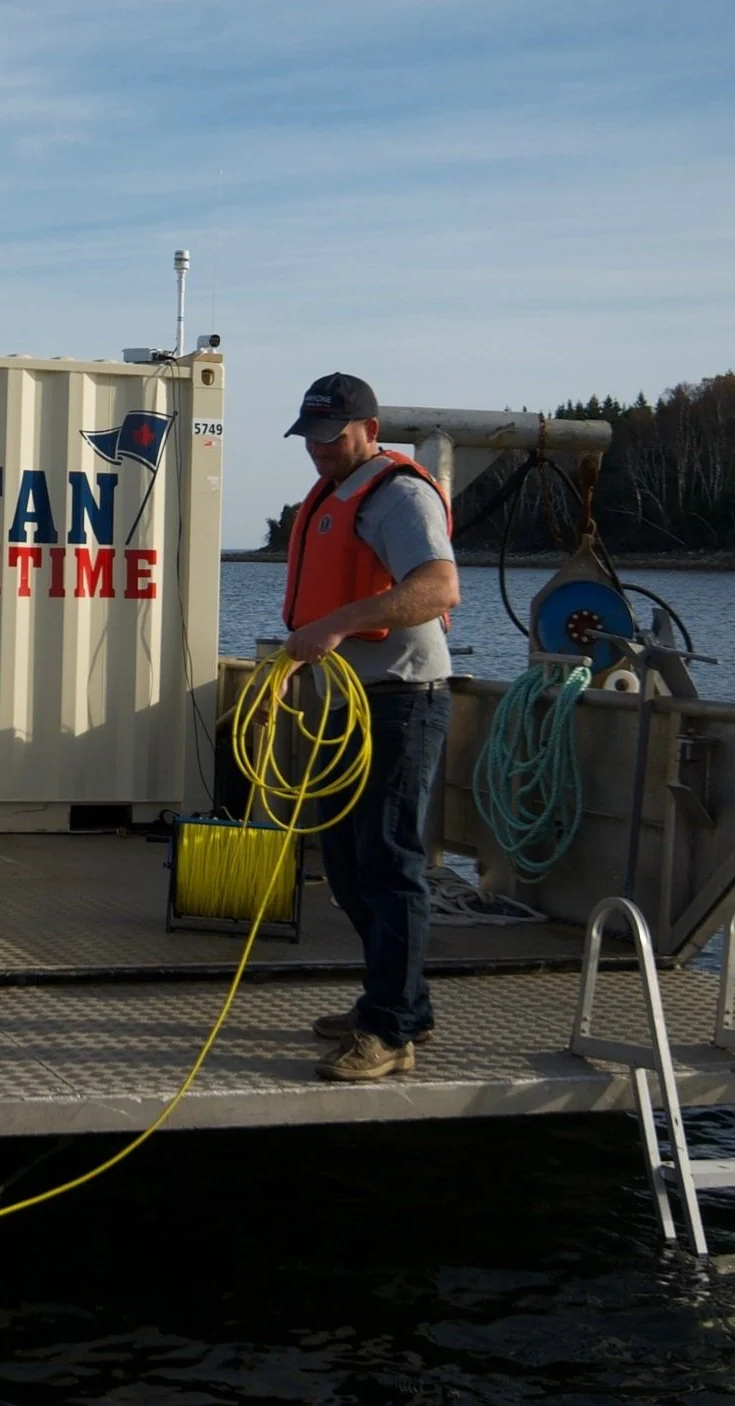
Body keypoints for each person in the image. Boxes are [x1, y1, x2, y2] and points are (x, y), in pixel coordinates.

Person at [279, 373, 460, 1081]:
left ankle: (390, 1030)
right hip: (349, 703)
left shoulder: (401, 496)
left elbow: (439, 588)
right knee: (348, 865)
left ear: (369, 431)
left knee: (387, 861)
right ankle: (399, 1002)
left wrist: (336, 625)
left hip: (403, 700)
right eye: (310, 440)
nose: (319, 452)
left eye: (332, 437)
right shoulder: (334, 496)